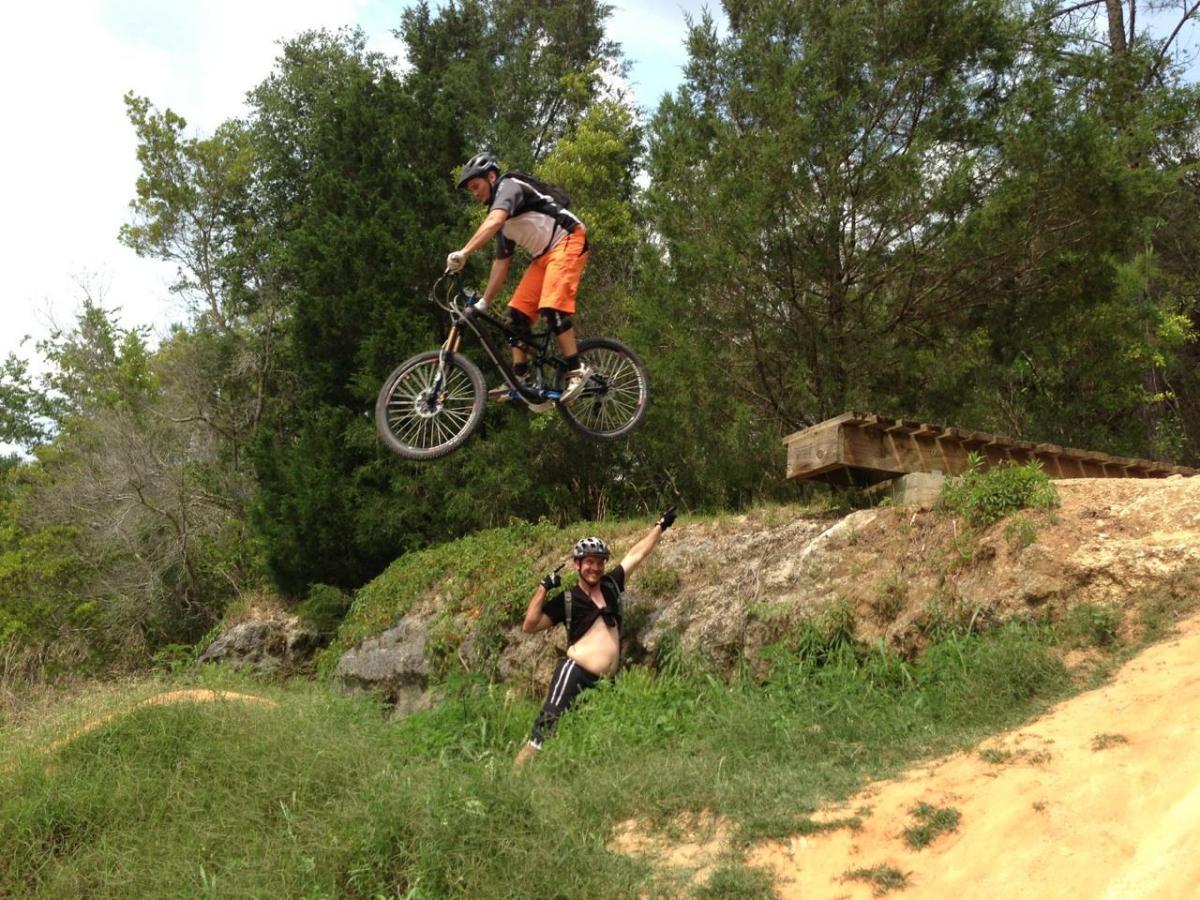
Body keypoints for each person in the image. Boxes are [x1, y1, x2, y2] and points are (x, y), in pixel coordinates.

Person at [514, 506, 678, 765]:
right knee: (546, 725)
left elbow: (636, 554)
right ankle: (517, 773)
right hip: (575, 672)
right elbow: (530, 625)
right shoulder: (568, 598)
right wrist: (543, 589)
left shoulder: (611, 585)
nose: (596, 567)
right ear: (578, 564)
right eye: (589, 561)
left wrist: (661, 525)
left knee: (595, 731)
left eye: (600, 561)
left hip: (605, 682)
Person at [446, 152, 592, 403]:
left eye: (476, 186)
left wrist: (464, 252)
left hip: (569, 239)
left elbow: (493, 221)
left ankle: (577, 370)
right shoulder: (503, 223)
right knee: (516, 315)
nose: (474, 193)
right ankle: (520, 378)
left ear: (491, 177)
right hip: (544, 257)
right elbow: (500, 266)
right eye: (471, 189)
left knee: (551, 306)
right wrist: (483, 303)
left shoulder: (509, 186)